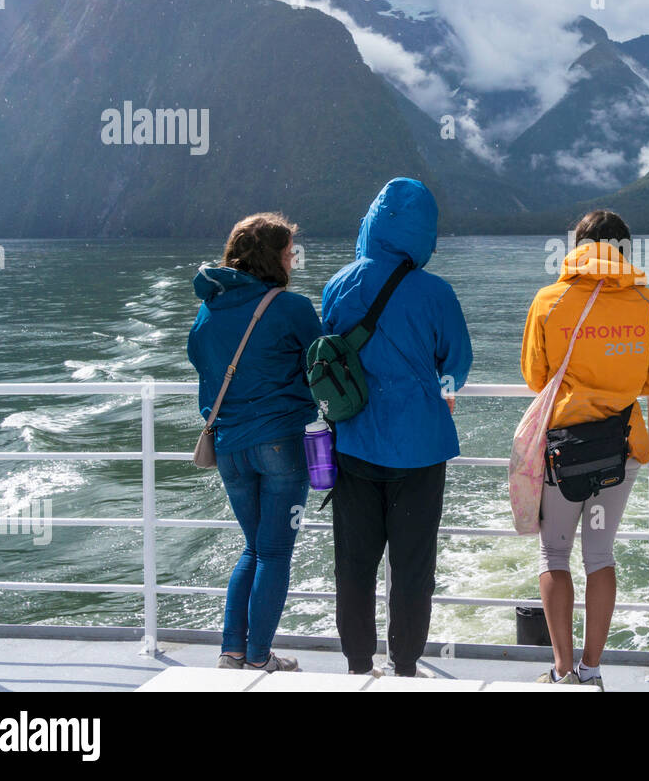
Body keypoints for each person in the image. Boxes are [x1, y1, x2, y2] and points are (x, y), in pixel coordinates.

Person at [321, 178, 472, 677]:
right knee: (412, 568)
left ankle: (358, 665)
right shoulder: (437, 293)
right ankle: (405, 665)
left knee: (354, 565)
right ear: (424, 232)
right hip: (420, 450)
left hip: (353, 444)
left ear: (372, 223)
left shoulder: (339, 285)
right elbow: (458, 364)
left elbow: (330, 359)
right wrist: (442, 393)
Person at [521, 210, 649, 689]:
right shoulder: (645, 303)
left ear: (577, 246)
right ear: (624, 251)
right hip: (620, 446)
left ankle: (562, 671)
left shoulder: (549, 299)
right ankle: (593, 668)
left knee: (554, 554)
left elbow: (535, 378)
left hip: (564, 450)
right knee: (600, 556)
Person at [187, 212, 322, 673]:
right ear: (273, 259)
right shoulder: (291, 308)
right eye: (289, 254)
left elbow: (202, 368)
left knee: (254, 548)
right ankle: (260, 656)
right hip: (280, 444)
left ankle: (232, 652)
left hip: (228, 446)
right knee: (274, 552)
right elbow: (323, 366)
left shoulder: (208, 312)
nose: (293, 262)